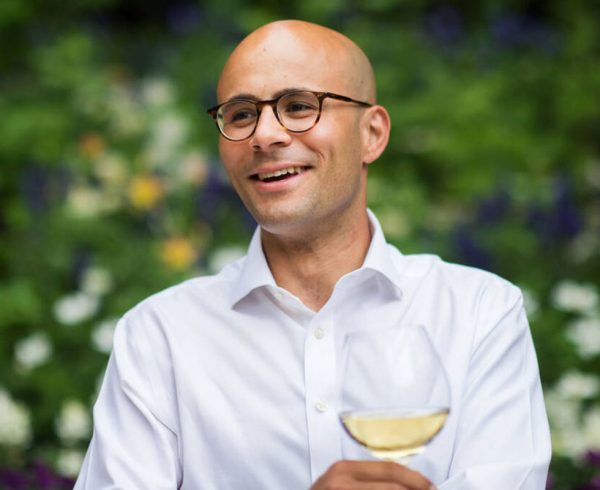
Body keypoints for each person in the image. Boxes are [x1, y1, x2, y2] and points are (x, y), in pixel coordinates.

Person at [75, 20, 551, 489]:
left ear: (372, 134)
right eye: (241, 115)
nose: (265, 135)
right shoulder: (159, 337)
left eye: (299, 106)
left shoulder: (479, 313)